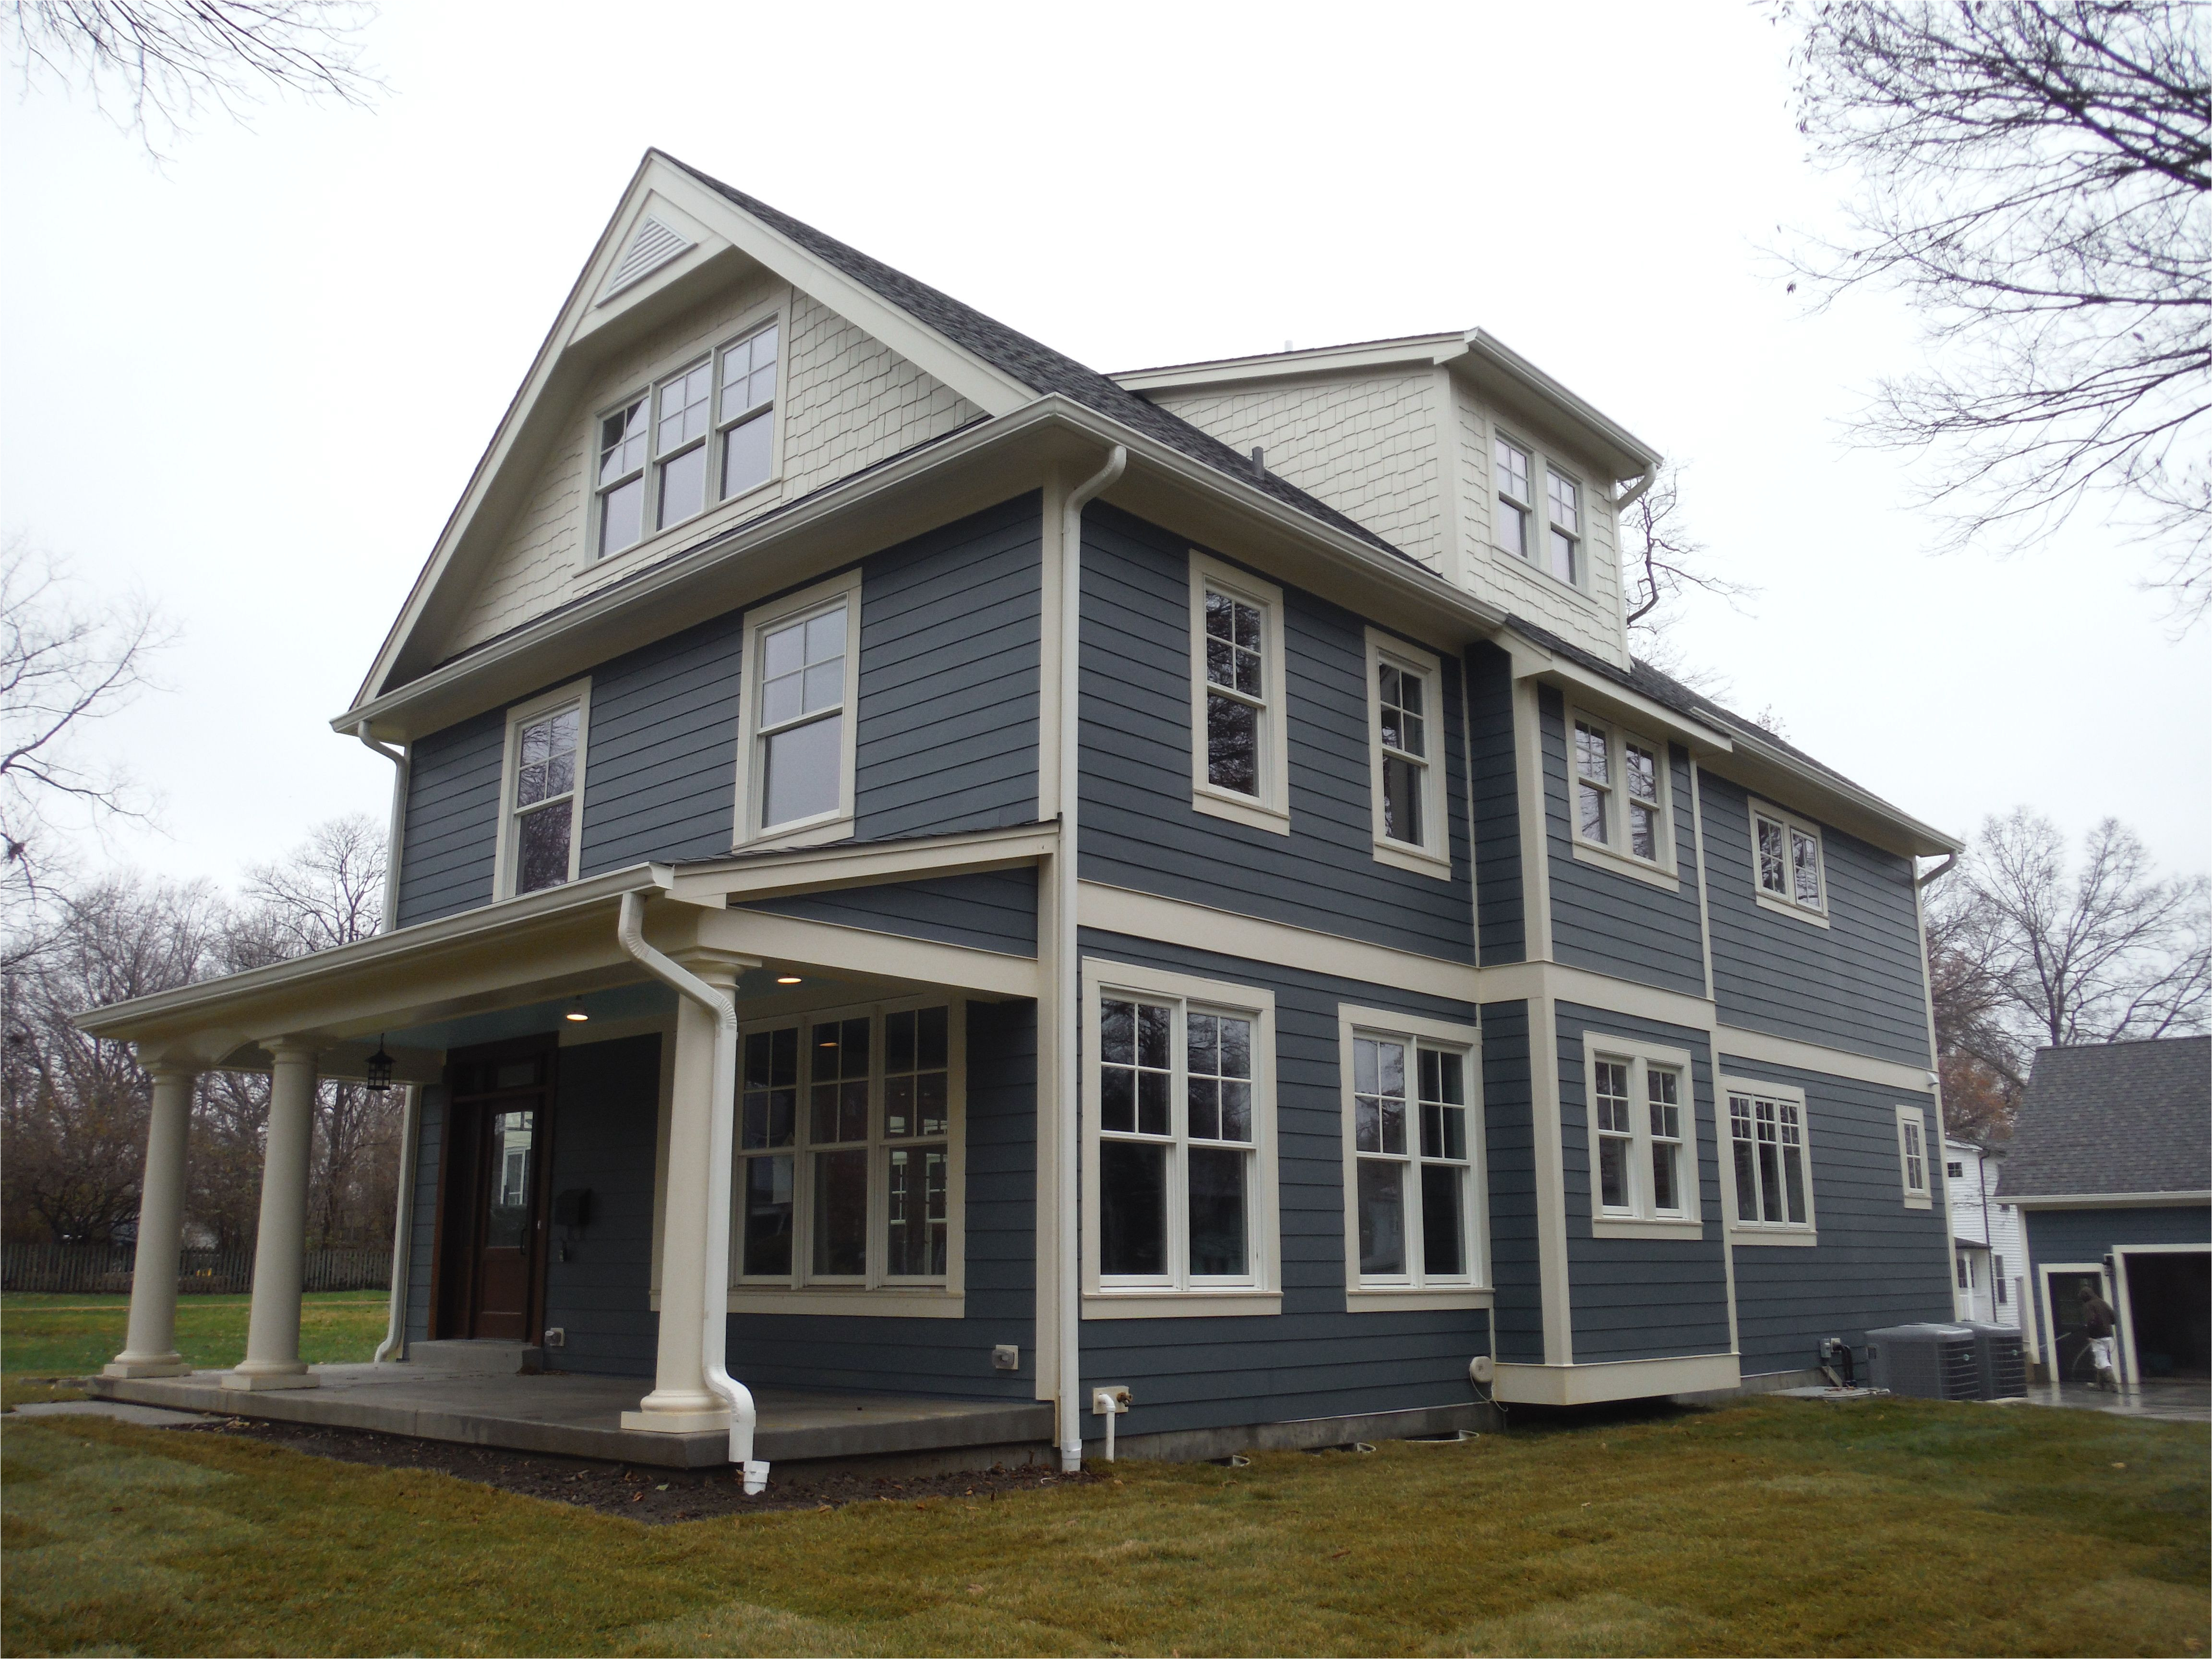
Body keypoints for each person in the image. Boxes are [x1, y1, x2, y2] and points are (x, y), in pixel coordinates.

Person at [2078, 1282, 2121, 1391]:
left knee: (2102, 1361)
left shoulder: (2089, 1305)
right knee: (2099, 1360)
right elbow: (2113, 1318)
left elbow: (2092, 1321)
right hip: (2108, 1335)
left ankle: (2113, 1384)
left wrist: (2091, 1335)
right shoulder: (2103, 1303)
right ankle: (2100, 1385)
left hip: (2098, 1337)